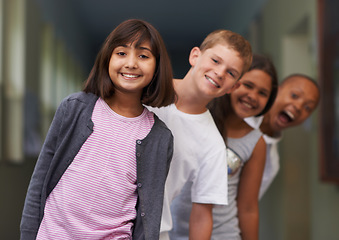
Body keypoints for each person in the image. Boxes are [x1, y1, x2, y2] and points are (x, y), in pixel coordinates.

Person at [20, 19, 176, 240]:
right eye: (121, 53)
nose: (131, 63)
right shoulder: (75, 108)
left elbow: (150, 209)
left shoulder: (160, 137)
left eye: (143, 55)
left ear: (157, 66)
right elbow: (39, 181)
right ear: (107, 58)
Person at [147, 29, 252, 240]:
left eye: (231, 73)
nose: (220, 72)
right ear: (195, 56)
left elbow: (202, 215)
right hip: (91, 219)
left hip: (152, 232)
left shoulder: (213, 144)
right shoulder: (147, 90)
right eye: (215, 60)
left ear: (234, 87)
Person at [169, 54, 278, 240]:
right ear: (233, 84)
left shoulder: (255, 141)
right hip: (168, 232)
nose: (252, 96)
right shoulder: (196, 116)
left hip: (223, 235)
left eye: (263, 93)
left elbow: (248, 207)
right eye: (248, 85)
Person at [245, 73, 320, 199]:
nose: (298, 107)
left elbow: (247, 206)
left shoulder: (271, 163)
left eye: (307, 107)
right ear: (276, 91)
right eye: (294, 95)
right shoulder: (238, 117)